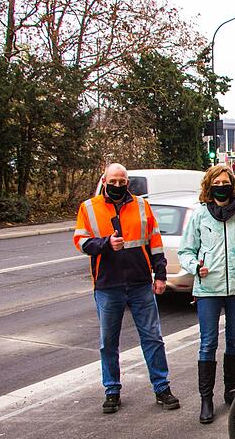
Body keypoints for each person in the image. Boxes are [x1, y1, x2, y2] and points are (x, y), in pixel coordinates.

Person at [73, 163, 180, 413]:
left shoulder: (142, 206)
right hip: (107, 285)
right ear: (104, 180)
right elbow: (81, 242)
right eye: (114, 181)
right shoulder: (89, 208)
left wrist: (160, 275)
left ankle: (162, 388)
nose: (118, 185)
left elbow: (154, 242)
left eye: (122, 181)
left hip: (140, 283)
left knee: (152, 338)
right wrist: (106, 244)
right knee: (108, 342)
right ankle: (112, 391)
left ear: (128, 183)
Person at [178, 165, 235, 424]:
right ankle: (206, 398)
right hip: (208, 288)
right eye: (216, 181)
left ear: (232, 184)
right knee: (208, 343)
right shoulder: (200, 215)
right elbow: (185, 251)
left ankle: (231, 390)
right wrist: (195, 266)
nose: (221, 185)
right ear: (209, 185)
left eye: (225, 181)